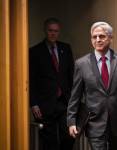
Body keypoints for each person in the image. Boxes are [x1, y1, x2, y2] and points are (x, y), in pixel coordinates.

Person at [67, 21, 117, 150]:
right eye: (94, 37)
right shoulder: (81, 64)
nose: (98, 40)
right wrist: (71, 121)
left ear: (110, 38)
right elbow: (75, 95)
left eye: (102, 36)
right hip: (95, 122)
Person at [29, 17, 74, 150]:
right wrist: (33, 103)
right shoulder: (34, 52)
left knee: (69, 136)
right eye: (50, 30)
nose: (53, 33)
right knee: (50, 142)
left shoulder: (65, 48)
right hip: (44, 104)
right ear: (45, 30)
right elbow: (30, 79)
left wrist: (74, 100)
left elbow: (72, 76)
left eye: (56, 31)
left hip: (64, 102)